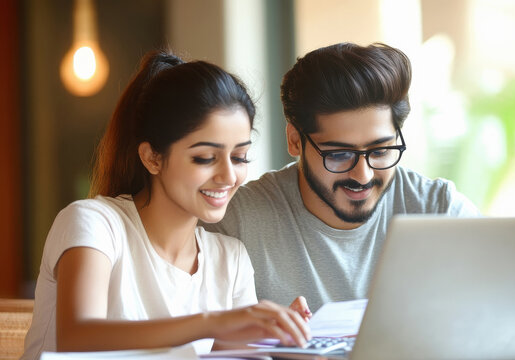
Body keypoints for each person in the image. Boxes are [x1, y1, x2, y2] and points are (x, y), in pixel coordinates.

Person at [21, 50, 311, 360]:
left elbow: (232, 354)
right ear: (152, 158)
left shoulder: (231, 259)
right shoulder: (95, 224)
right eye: (205, 158)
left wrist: (276, 338)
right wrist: (214, 321)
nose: (229, 175)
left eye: (239, 157)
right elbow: (77, 338)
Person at [203, 42, 480, 312]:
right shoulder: (236, 222)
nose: (363, 175)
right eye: (338, 154)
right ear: (294, 141)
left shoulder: (440, 210)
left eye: (381, 150)